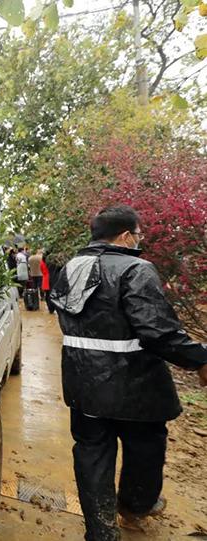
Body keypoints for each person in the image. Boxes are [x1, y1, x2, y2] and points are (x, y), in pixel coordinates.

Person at [49, 205, 207, 541]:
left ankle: (101, 530)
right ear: (125, 235)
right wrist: (199, 359)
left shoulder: (71, 267)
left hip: (82, 383)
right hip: (134, 387)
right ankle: (135, 505)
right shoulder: (136, 268)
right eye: (138, 235)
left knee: (92, 452)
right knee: (145, 448)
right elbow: (157, 331)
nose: (140, 240)